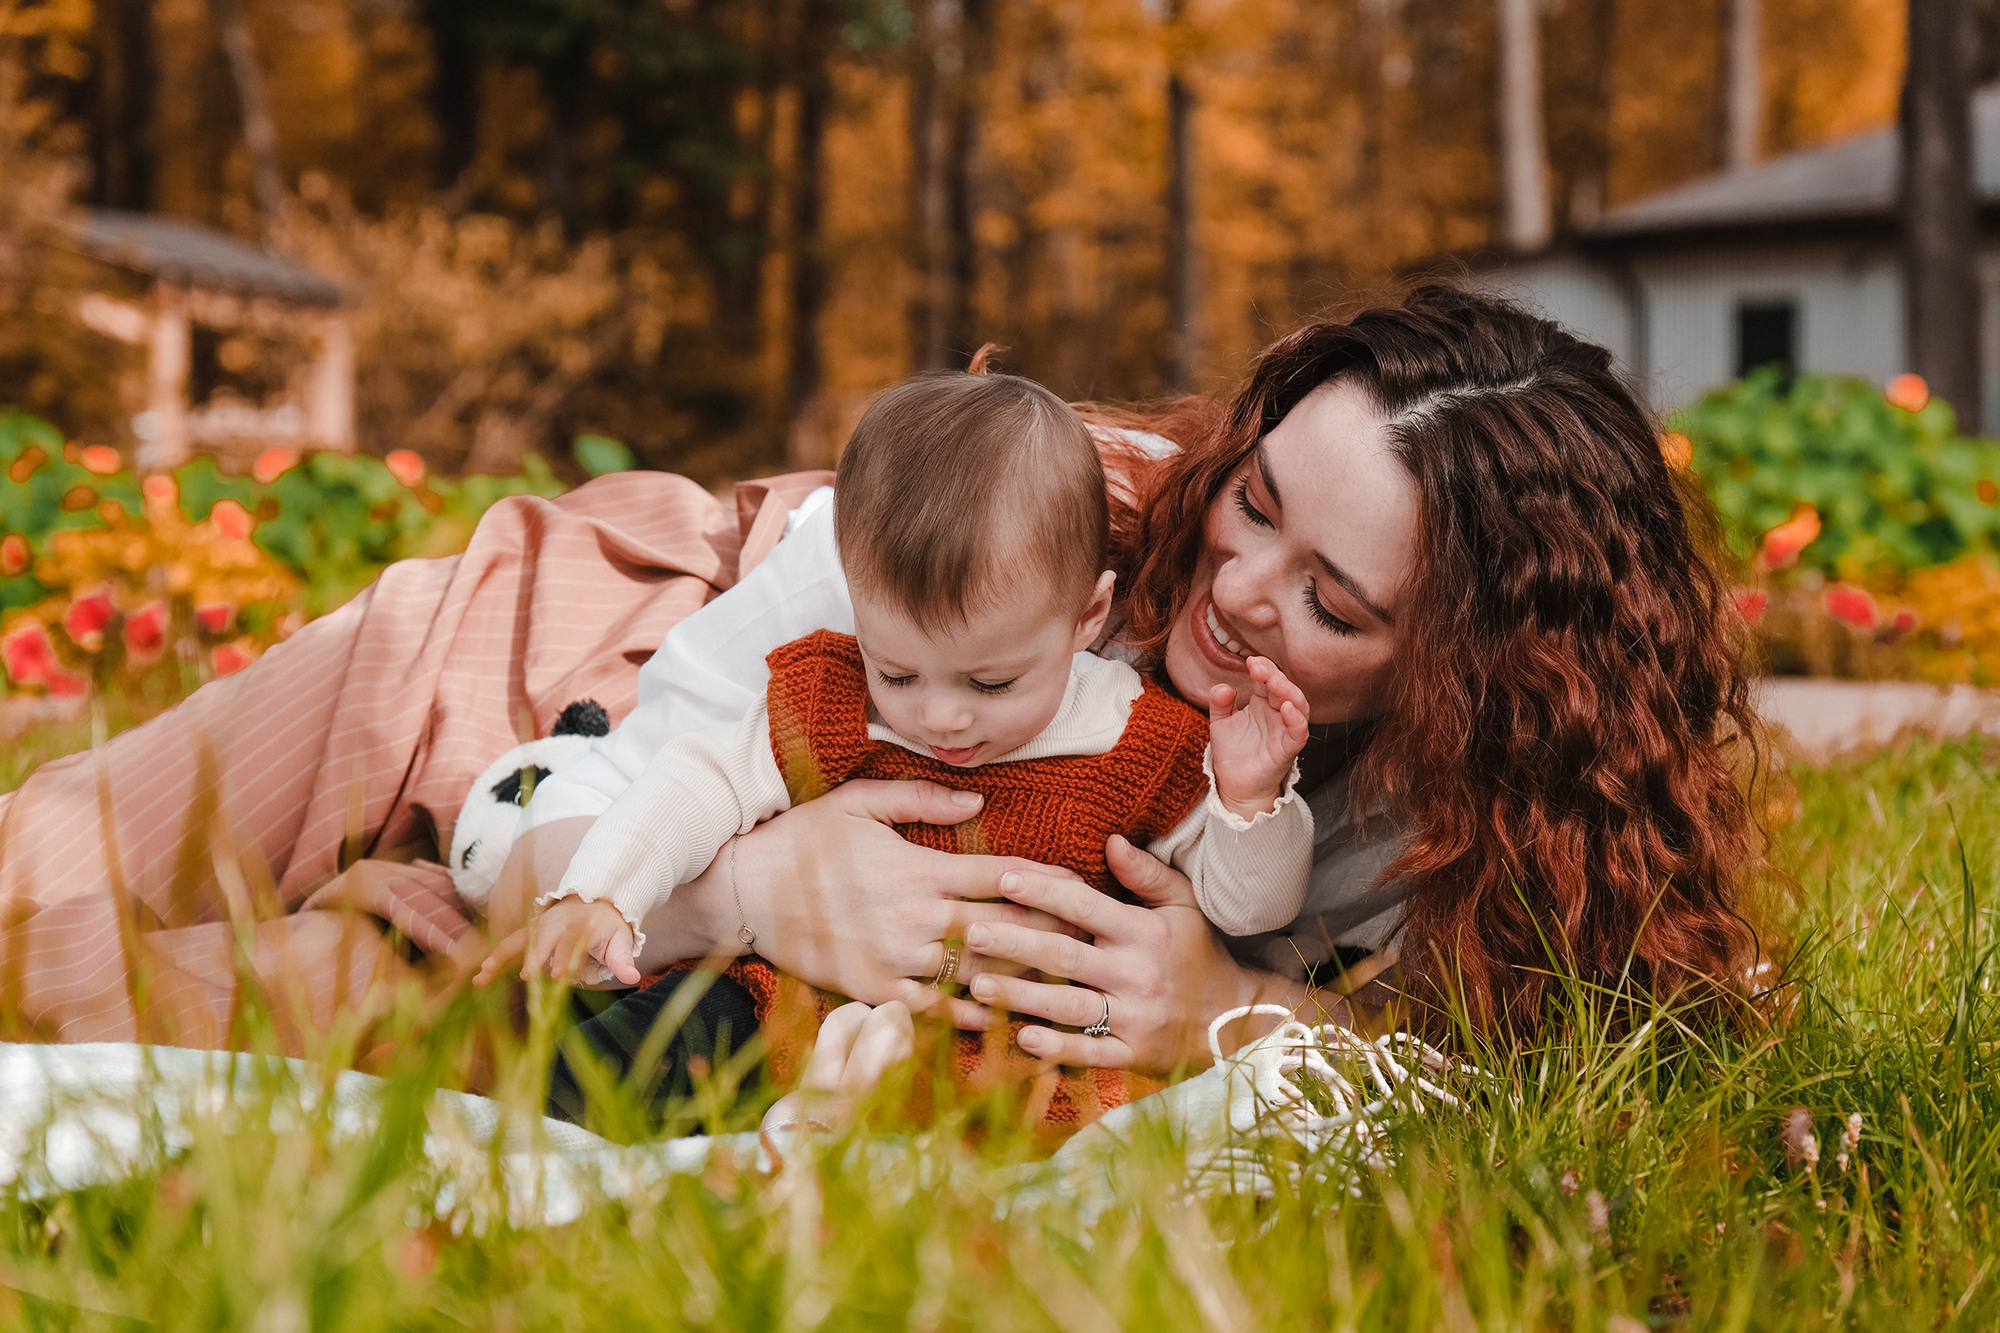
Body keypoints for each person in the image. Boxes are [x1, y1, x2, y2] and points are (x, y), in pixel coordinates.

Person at [0, 286, 1759, 1102]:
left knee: (250, 1001)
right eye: (1257, 499)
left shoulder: (1433, 816)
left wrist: (1228, 1003)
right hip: (586, 671)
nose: (1237, 591)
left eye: (1336, 598)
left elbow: (1558, 1065)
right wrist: (739, 885)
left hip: (609, 941)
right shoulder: (1052, 513)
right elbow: (658, 751)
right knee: (35, 877)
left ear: (1478, 668)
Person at [481, 369, 1313, 992]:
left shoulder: (1136, 739)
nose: (941, 716)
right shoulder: (833, 694)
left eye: (991, 684)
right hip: (791, 1005)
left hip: (1008, 1055)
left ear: (1088, 618)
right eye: (900, 672)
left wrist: (1248, 803)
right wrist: (604, 892)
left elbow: (1249, 907)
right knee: (637, 1056)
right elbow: (695, 781)